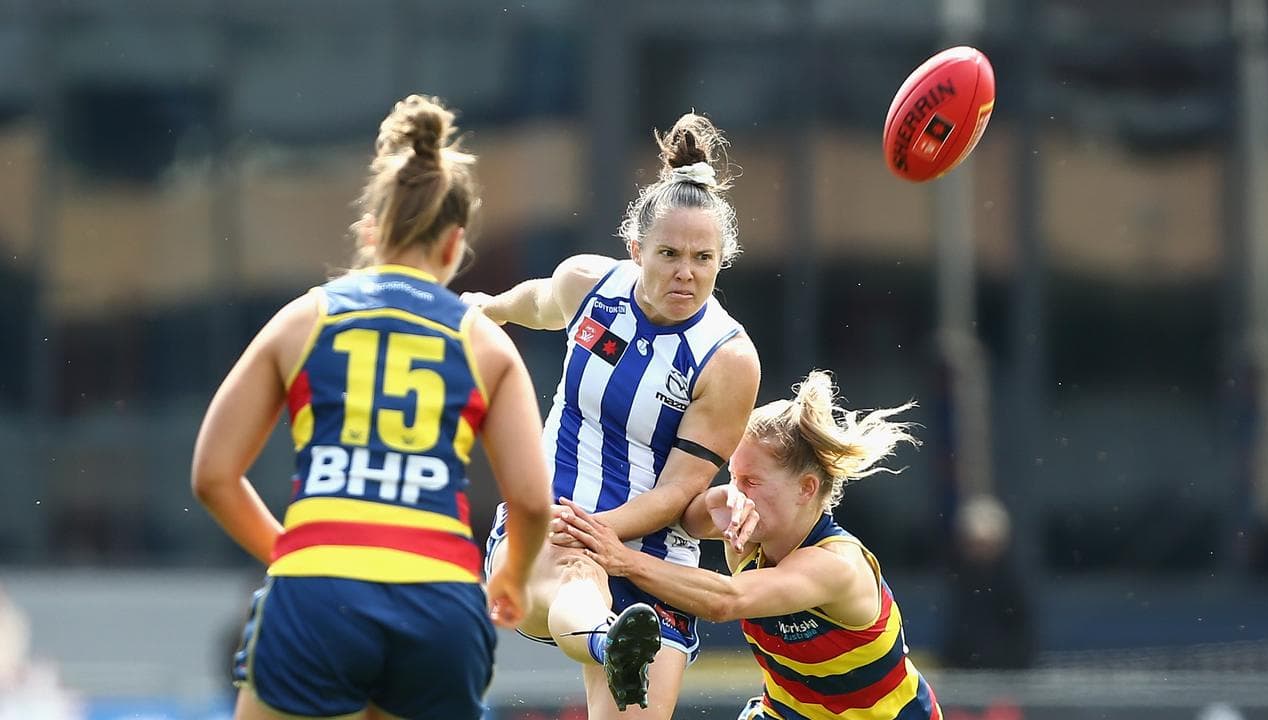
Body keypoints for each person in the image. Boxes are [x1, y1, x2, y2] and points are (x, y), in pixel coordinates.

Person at [191, 94, 551, 720]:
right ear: (454, 245)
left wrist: (294, 552)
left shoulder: (304, 318)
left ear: (370, 232)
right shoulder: (483, 342)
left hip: (316, 595)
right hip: (439, 601)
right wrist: (512, 579)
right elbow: (531, 501)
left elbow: (213, 476)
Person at [464, 112, 761, 718]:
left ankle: (620, 638)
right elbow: (537, 302)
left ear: (721, 259)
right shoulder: (588, 287)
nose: (686, 272)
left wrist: (612, 537)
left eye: (704, 258)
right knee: (581, 576)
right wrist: (485, 308)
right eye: (670, 254)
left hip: (655, 565)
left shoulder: (729, 359)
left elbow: (682, 489)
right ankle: (606, 640)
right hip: (555, 527)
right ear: (635, 250)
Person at [557, 370, 944, 720]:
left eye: (751, 483)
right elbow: (687, 520)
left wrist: (622, 559)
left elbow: (726, 600)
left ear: (806, 489)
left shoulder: (838, 565)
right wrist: (715, 499)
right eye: (733, 477)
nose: (737, 494)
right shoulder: (750, 535)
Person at [941, 494, 1035, 670]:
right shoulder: (959, 582)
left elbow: (1022, 637)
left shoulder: (1011, 584)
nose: (978, 551)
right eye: (972, 544)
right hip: (965, 677)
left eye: (984, 544)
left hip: (1007, 678)